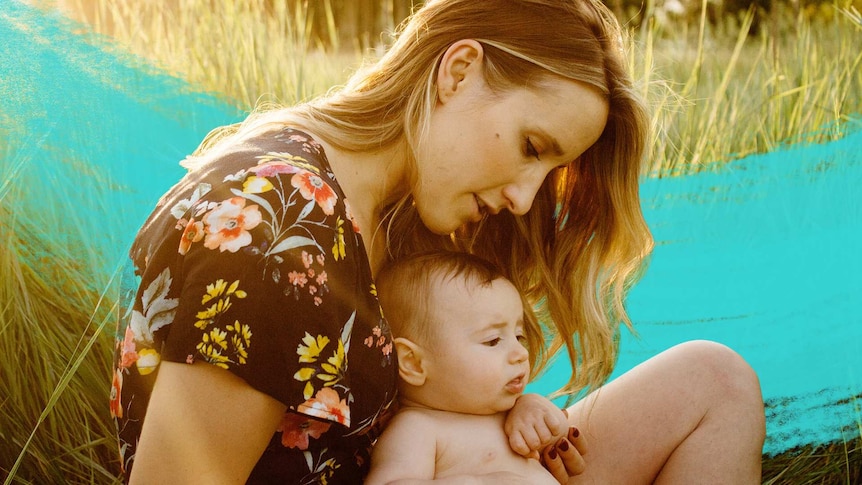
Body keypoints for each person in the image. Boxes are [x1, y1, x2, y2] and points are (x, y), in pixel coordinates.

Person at [111, 0, 766, 483]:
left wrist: (509, 416)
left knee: (713, 381)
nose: (525, 198)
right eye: (531, 147)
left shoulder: (397, 211)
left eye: (549, 171)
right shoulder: (278, 225)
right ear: (458, 72)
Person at [366, 250, 586, 484]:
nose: (521, 353)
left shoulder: (510, 412)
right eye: (492, 340)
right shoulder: (417, 430)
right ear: (414, 363)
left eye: (519, 337)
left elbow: (559, 441)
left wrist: (541, 416)